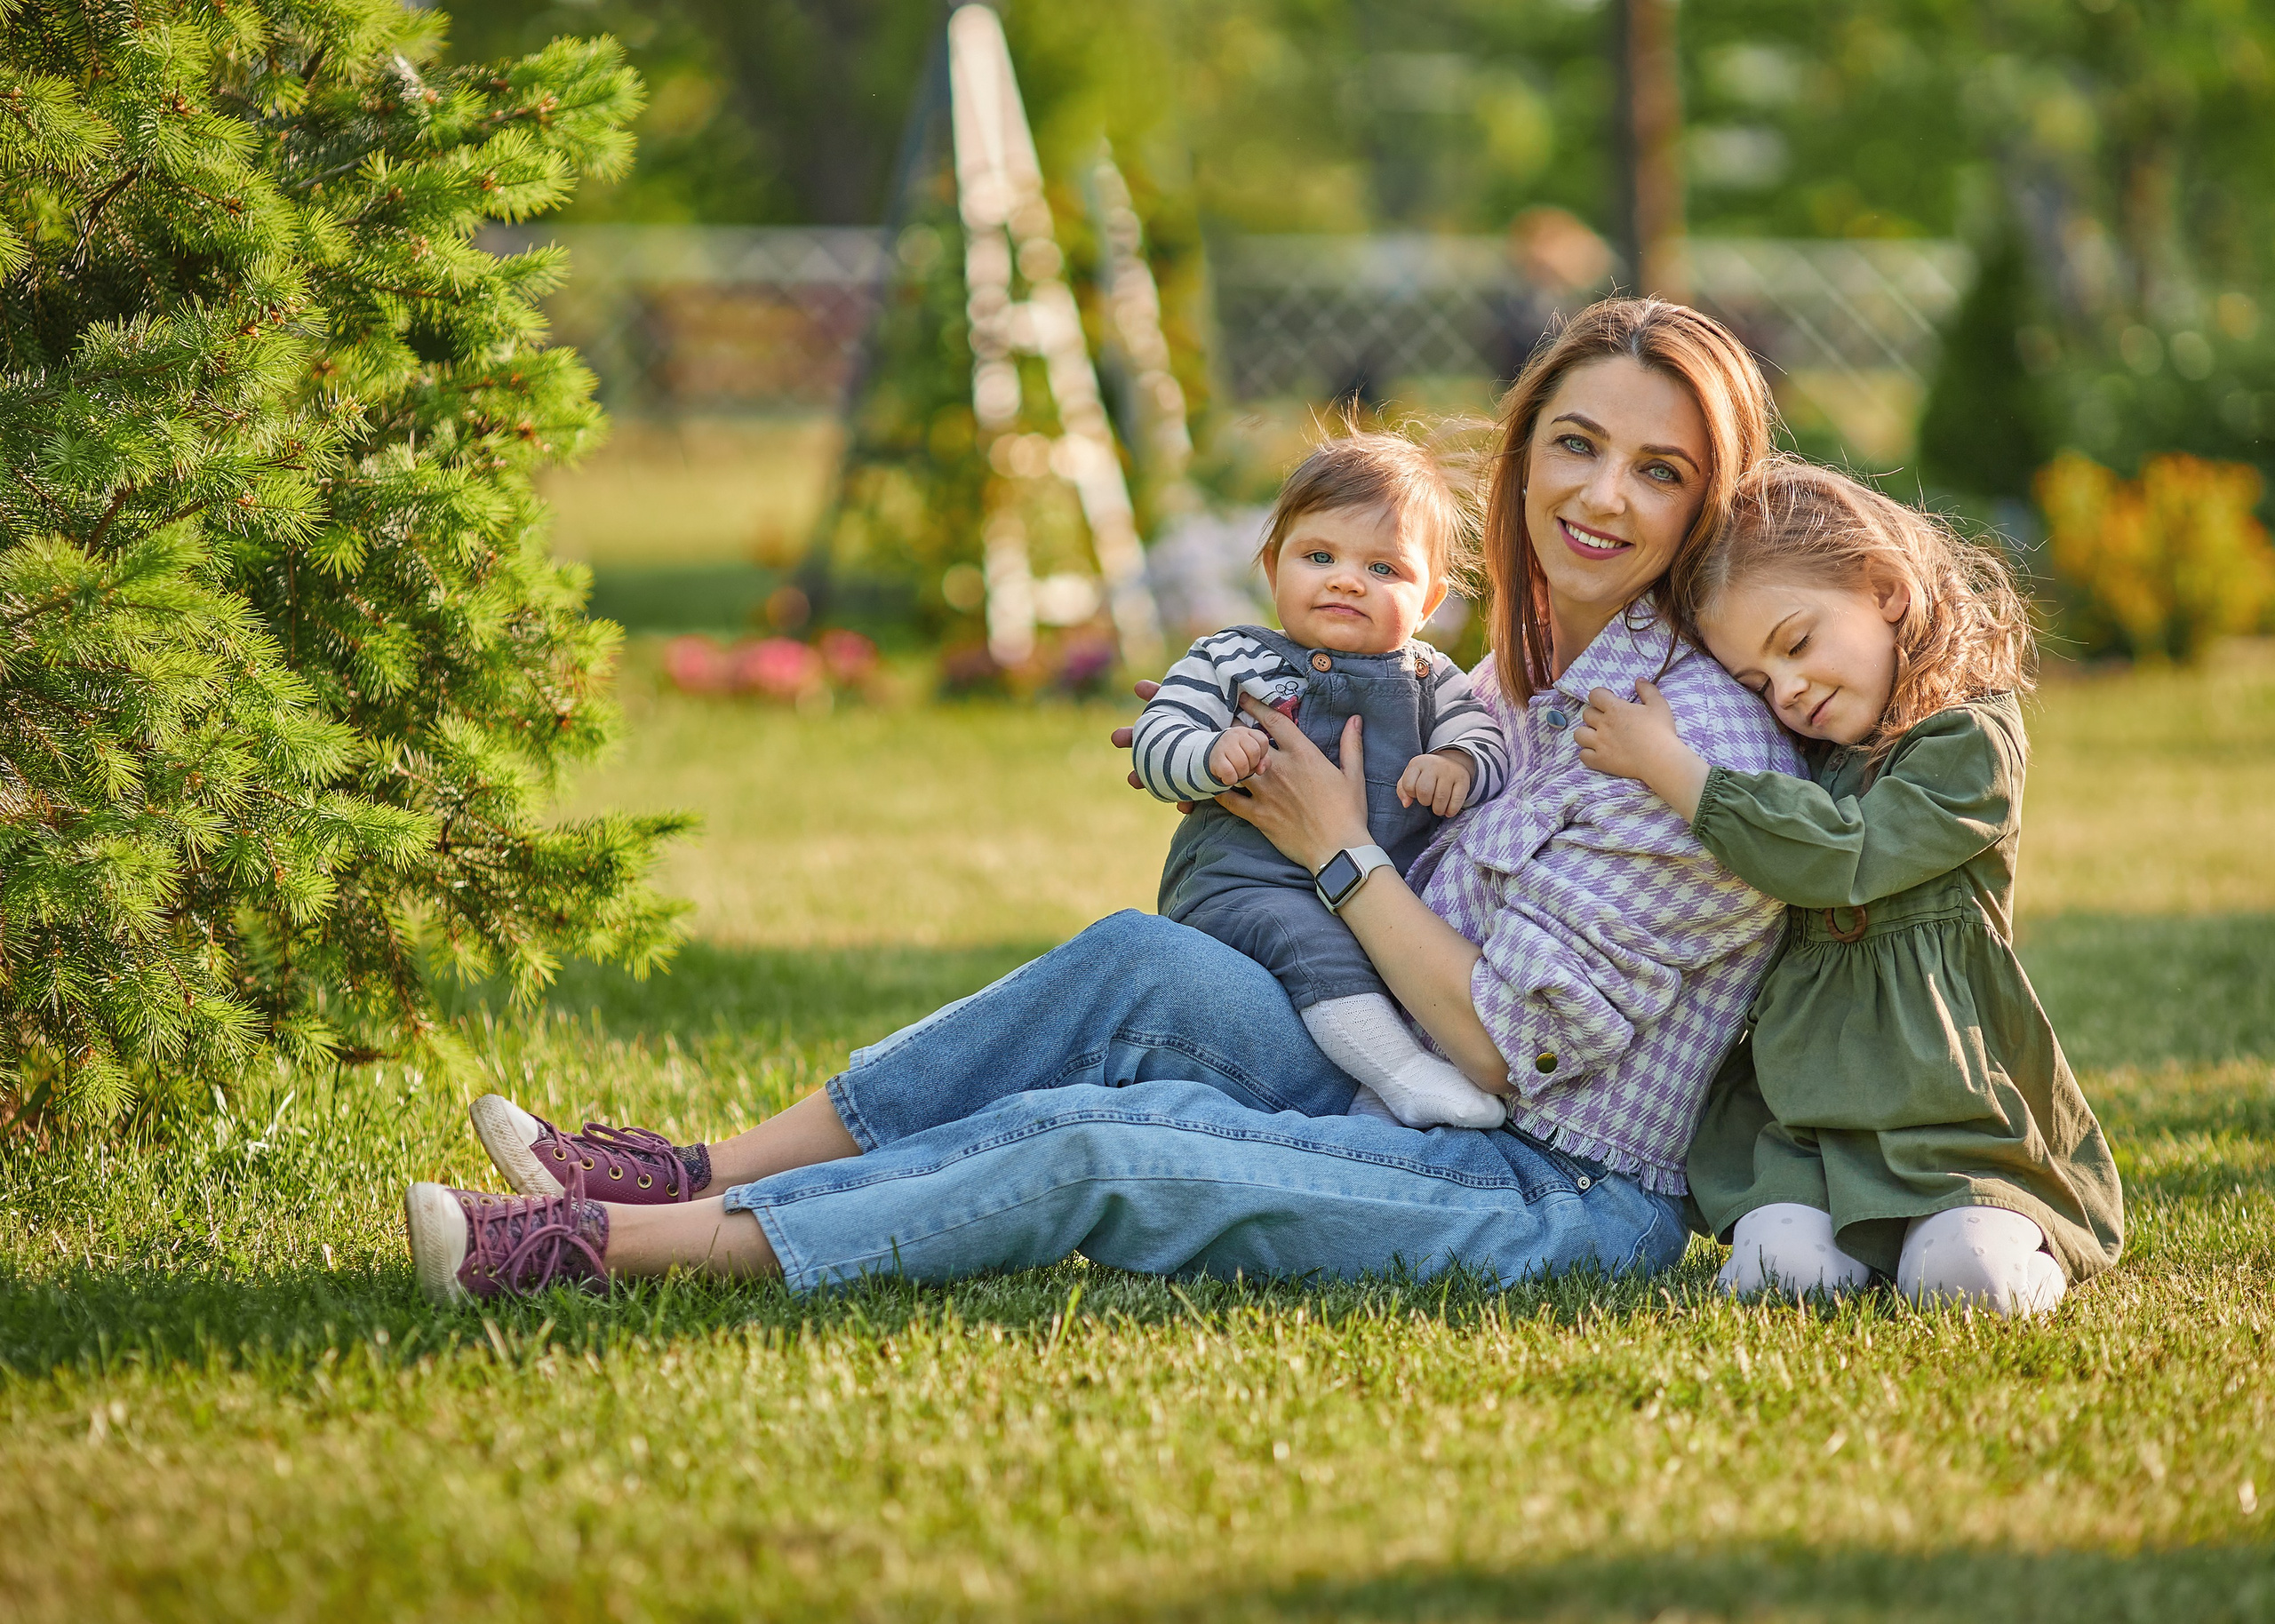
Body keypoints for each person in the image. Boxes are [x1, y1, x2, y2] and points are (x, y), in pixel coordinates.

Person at [401, 297, 1797, 1309]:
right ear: (1526, 454)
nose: (1600, 495)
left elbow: (1502, 1058)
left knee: (1097, 1148)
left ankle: (606, 1249)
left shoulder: (1689, 740)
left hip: (1543, 1185)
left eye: (1658, 470)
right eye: (1575, 444)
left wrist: (1334, 847)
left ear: (1708, 500)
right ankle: (684, 1169)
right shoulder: (1539, 666)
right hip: (1409, 1076)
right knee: (1135, 961)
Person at [1572, 457, 2124, 1316]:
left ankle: (2017, 1239)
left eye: (1796, 643)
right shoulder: (1806, 754)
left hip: (1947, 1108)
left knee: (1967, 1284)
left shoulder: (1969, 744)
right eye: (1758, 683)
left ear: (1887, 589)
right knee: (1781, 1278)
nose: (1786, 691)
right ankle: (1840, 1237)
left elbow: (1844, 856)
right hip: (1809, 1115)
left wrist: (1676, 773)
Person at [1133, 431, 1510, 1130]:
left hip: (1365, 891)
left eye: (1384, 569)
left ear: (1430, 602)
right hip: (1241, 888)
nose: (1346, 580)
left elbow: (1486, 741)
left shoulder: (1432, 681)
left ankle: (1362, 1097)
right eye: (1319, 557)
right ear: (1273, 569)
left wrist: (1455, 764)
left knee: (1381, 954)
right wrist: (1211, 753)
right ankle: (1401, 1079)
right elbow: (1157, 740)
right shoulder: (1232, 657)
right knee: (1311, 939)